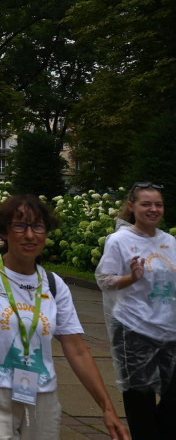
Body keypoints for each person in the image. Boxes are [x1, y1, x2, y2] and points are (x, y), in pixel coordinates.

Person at [0, 194, 128, 440]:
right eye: (20, 226)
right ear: (4, 233)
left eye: (38, 226)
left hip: (41, 397)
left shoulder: (54, 285)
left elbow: (77, 350)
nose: (30, 235)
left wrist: (107, 407)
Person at [96, 182, 174, 439]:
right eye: (146, 204)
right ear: (132, 206)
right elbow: (104, 280)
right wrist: (132, 278)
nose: (153, 209)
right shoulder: (119, 240)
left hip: (169, 331)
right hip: (134, 330)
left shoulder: (170, 241)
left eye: (158, 204)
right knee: (141, 403)